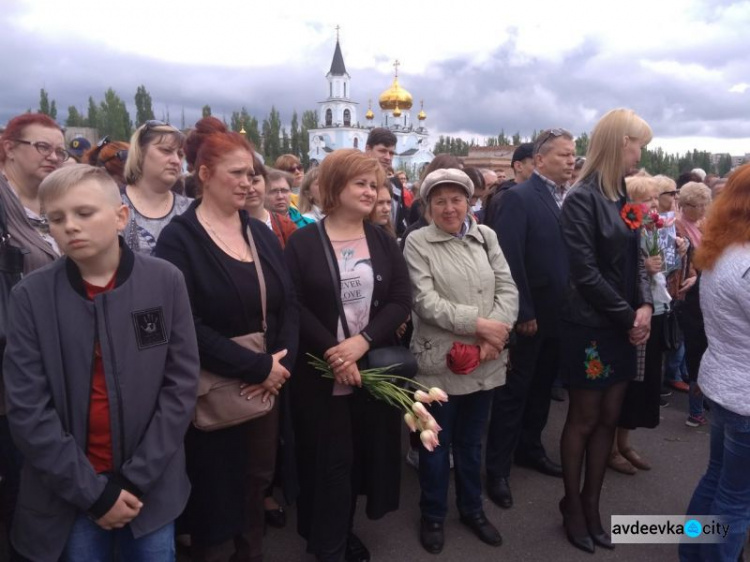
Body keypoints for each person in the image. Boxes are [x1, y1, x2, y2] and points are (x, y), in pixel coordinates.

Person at [3, 165, 199, 561]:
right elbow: (28, 408)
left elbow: (180, 387)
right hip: (69, 489)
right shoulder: (31, 297)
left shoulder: (164, 281)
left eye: (84, 213)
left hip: (149, 487)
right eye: (56, 219)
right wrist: (95, 493)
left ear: (120, 216)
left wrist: (136, 478)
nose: (70, 227)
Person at [155, 117, 298, 561]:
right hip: (212, 388)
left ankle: (249, 553)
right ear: (204, 174)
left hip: (267, 383)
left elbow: (288, 302)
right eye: (236, 173)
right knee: (214, 489)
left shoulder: (258, 231)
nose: (248, 182)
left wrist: (280, 367)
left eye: (252, 173)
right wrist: (256, 367)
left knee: (256, 481)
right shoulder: (179, 240)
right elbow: (183, 325)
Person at [284, 148, 411, 562]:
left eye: (374, 185)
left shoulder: (381, 239)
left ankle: (342, 529)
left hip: (370, 369)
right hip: (322, 376)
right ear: (335, 187)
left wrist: (363, 342)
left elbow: (400, 299)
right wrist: (336, 354)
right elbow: (294, 305)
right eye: (361, 183)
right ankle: (327, 545)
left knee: (360, 459)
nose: (372, 192)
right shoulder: (303, 242)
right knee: (329, 464)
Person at [404, 168, 518, 554]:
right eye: (440, 201)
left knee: (471, 443)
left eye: (457, 199)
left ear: (470, 201)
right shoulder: (417, 242)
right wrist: (481, 325)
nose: (450, 208)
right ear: (428, 206)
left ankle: (472, 509)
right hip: (439, 365)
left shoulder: (486, 236)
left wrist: (495, 336)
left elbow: (507, 287)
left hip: (486, 359)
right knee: (434, 445)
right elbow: (425, 301)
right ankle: (433, 514)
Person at [558, 108, 653, 554]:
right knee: (583, 419)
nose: (641, 154)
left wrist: (647, 305)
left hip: (619, 324)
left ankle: (592, 504)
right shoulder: (581, 198)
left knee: (609, 418)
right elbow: (584, 272)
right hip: (589, 327)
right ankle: (573, 506)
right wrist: (628, 315)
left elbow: (637, 263)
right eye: (639, 145)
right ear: (620, 143)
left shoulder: (623, 200)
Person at [485, 128, 574, 511]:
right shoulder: (519, 198)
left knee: (541, 390)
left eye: (574, 155)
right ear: (539, 160)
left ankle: (530, 448)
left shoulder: (567, 197)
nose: (571, 161)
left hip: (561, 314)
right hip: (531, 315)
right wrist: (522, 312)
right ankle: (497, 469)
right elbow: (508, 258)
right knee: (513, 394)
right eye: (563, 155)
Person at [0, 113, 66, 554]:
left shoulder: (50, 205)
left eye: (59, 150)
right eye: (42, 147)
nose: (53, 157)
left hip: (57, 365)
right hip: (13, 372)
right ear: (9, 148)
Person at [679, 164, 750, 562]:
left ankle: (690, 552)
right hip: (742, 396)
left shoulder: (723, 251)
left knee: (716, 480)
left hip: (724, 384)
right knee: (736, 500)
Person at [609, 174, 674, 474]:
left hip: (655, 309)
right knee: (626, 384)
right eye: (647, 200)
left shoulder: (646, 229)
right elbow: (618, 272)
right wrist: (644, 268)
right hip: (635, 313)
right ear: (631, 202)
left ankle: (624, 441)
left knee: (643, 382)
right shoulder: (623, 229)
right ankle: (610, 447)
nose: (653, 205)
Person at [122, 120, 192, 255]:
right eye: (166, 151)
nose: (176, 161)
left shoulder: (192, 210)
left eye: (180, 154)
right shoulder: (113, 205)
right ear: (140, 152)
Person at [675, 181, 711, 428]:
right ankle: (695, 410)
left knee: (709, 350)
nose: (703, 209)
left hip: (707, 296)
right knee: (696, 352)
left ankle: (708, 399)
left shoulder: (704, 224)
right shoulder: (678, 227)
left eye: (705, 204)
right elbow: (681, 267)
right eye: (698, 205)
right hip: (689, 299)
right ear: (685, 206)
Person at [245, 155, 297, 249]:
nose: (250, 189)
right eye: (244, 182)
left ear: (266, 183)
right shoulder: (224, 226)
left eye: (255, 181)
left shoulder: (286, 226)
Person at [365, 128, 408, 236]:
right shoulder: (354, 181)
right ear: (368, 149)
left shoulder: (396, 185)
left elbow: (399, 221)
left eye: (391, 153)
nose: (388, 157)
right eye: (382, 151)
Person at [483, 142, 534, 228]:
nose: (541, 168)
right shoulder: (506, 198)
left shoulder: (535, 194)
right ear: (518, 166)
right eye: (535, 164)